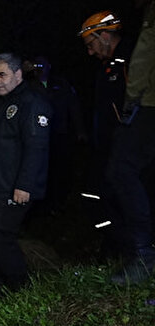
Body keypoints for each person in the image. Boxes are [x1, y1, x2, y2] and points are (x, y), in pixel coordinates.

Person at [0, 52, 52, 300]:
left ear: (18, 74)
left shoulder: (32, 103)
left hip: (14, 187)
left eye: (2, 75)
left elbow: (36, 147)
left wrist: (24, 185)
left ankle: (22, 288)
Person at [77, 10, 135, 257]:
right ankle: (114, 244)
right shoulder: (106, 68)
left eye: (91, 44)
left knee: (120, 194)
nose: (90, 52)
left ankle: (131, 247)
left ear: (106, 36)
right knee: (94, 194)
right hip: (106, 146)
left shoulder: (130, 60)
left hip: (128, 146)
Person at [106, 0, 155, 284]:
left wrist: (132, 100)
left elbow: (145, 53)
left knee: (121, 170)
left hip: (148, 104)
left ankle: (144, 254)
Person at [24, 55, 86, 216]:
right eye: (37, 64)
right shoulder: (29, 86)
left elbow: (74, 107)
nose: (40, 68)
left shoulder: (61, 84)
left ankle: (57, 204)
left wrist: (80, 130)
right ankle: (38, 206)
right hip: (38, 135)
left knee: (61, 170)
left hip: (60, 133)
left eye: (43, 64)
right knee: (40, 169)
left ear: (49, 66)